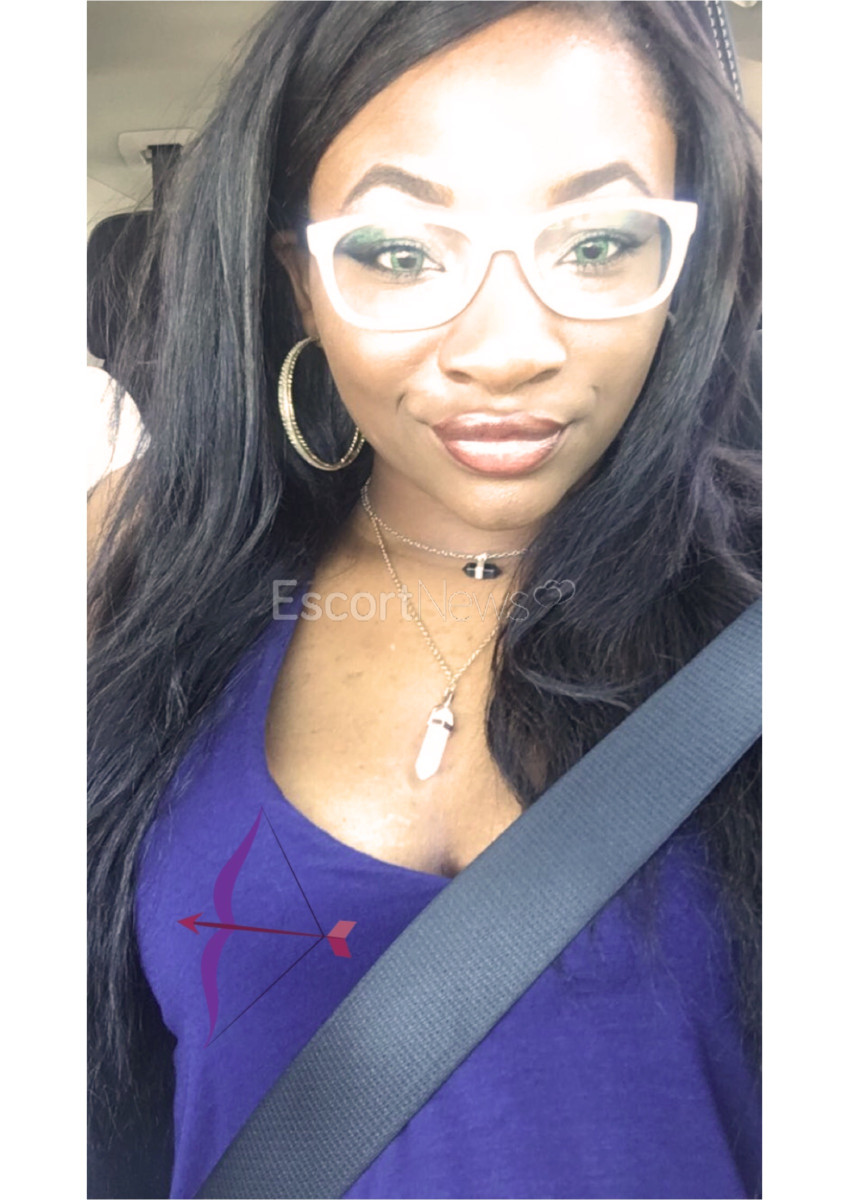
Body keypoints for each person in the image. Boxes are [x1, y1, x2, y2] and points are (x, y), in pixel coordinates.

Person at [87, 2, 762, 1197]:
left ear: (685, 266)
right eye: (399, 253)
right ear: (303, 282)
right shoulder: (132, 564)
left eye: (599, 242)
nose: (504, 349)